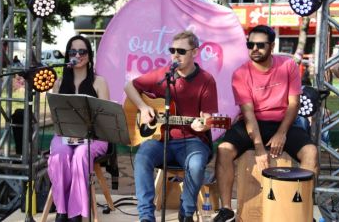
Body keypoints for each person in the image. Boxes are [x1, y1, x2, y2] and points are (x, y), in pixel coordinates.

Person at [213, 25, 318, 222]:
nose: (254, 48)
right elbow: (248, 112)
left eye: (260, 45)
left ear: (272, 45)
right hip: (253, 122)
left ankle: (305, 210)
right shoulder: (240, 73)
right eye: (250, 44)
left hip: (284, 121)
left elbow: (294, 104)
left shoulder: (288, 66)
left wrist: (282, 133)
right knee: (224, 150)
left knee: (311, 153)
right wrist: (259, 148)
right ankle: (227, 210)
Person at [124, 31, 218, 222]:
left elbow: (207, 119)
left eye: (181, 51)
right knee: (142, 158)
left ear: (195, 52)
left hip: (192, 141)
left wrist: (203, 125)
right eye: (172, 50)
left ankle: (186, 212)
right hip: (160, 140)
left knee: (196, 165)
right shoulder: (162, 75)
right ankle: (146, 217)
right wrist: (143, 108)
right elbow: (129, 87)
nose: (175, 55)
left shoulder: (206, 80)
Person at [47, 35, 110, 222]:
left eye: (82, 51)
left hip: (94, 136)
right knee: (60, 152)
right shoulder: (58, 83)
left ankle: (77, 213)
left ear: (89, 56)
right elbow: (54, 117)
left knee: (81, 154)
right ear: (68, 56)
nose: (77, 55)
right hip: (65, 134)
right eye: (73, 52)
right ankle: (62, 210)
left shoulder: (99, 82)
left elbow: (106, 117)